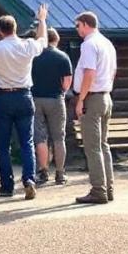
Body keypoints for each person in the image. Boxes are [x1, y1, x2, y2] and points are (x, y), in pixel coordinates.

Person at [0, 4, 49, 200]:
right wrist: (42, 20)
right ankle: (29, 180)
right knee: (27, 142)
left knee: (3, 145)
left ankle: (7, 186)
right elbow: (43, 40)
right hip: (24, 95)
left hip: (3, 98)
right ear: (15, 28)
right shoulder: (27, 46)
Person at [73, 11, 118, 205]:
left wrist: (81, 99)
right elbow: (113, 72)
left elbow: (89, 73)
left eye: (77, 26)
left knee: (92, 147)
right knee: (103, 145)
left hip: (93, 98)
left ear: (85, 24)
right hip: (106, 96)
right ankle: (108, 188)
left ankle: (98, 190)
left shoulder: (89, 45)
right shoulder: (107, 43)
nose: (77, 30)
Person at [31, 27, 73, 185]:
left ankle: (43, 171)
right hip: (55, 99)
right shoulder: (63, 57)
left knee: (40, 137)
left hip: (35, 98)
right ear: (56, 40)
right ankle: (60, 173)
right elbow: (67, 83)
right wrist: (60, 91)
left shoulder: (33, 56)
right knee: (58, 137)